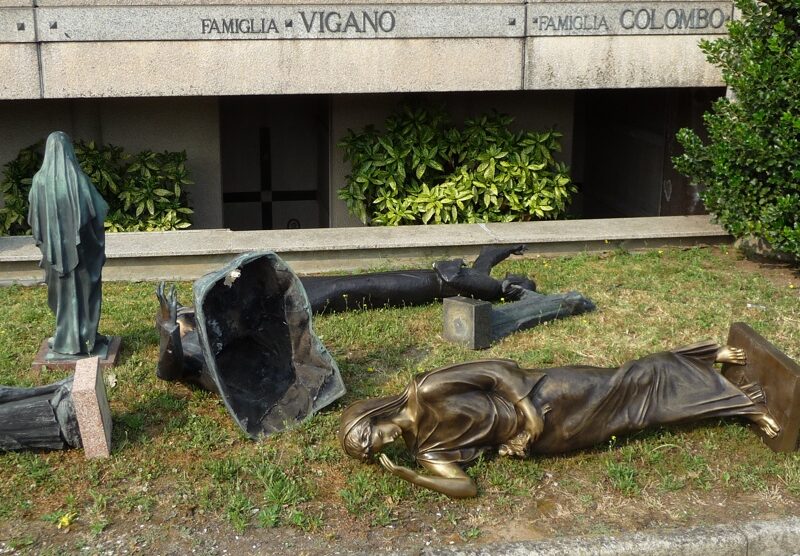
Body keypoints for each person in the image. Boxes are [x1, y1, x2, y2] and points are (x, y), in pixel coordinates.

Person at [339, 342, 781, 498]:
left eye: (373, 434)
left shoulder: (427, 388)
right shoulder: (427, 451)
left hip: (545, 394)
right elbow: (464, 487)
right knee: (635, 416)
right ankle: (727, 400)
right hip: (552, 437)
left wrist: (529, 414)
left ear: (372, 415)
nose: (382, 442)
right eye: (376, 450)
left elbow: (498, 370)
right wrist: (409, 475)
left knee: (625, 380)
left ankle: (724, 381)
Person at [28, 131, 109, 355]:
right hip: (83, 255)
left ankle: (66, 337)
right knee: (85, 293)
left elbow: (34, 220)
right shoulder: (79, 180)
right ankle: (86, 339)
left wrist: (49, 243)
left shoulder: (38, 181)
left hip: (54, 255)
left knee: (63, 296)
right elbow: (99, 212)